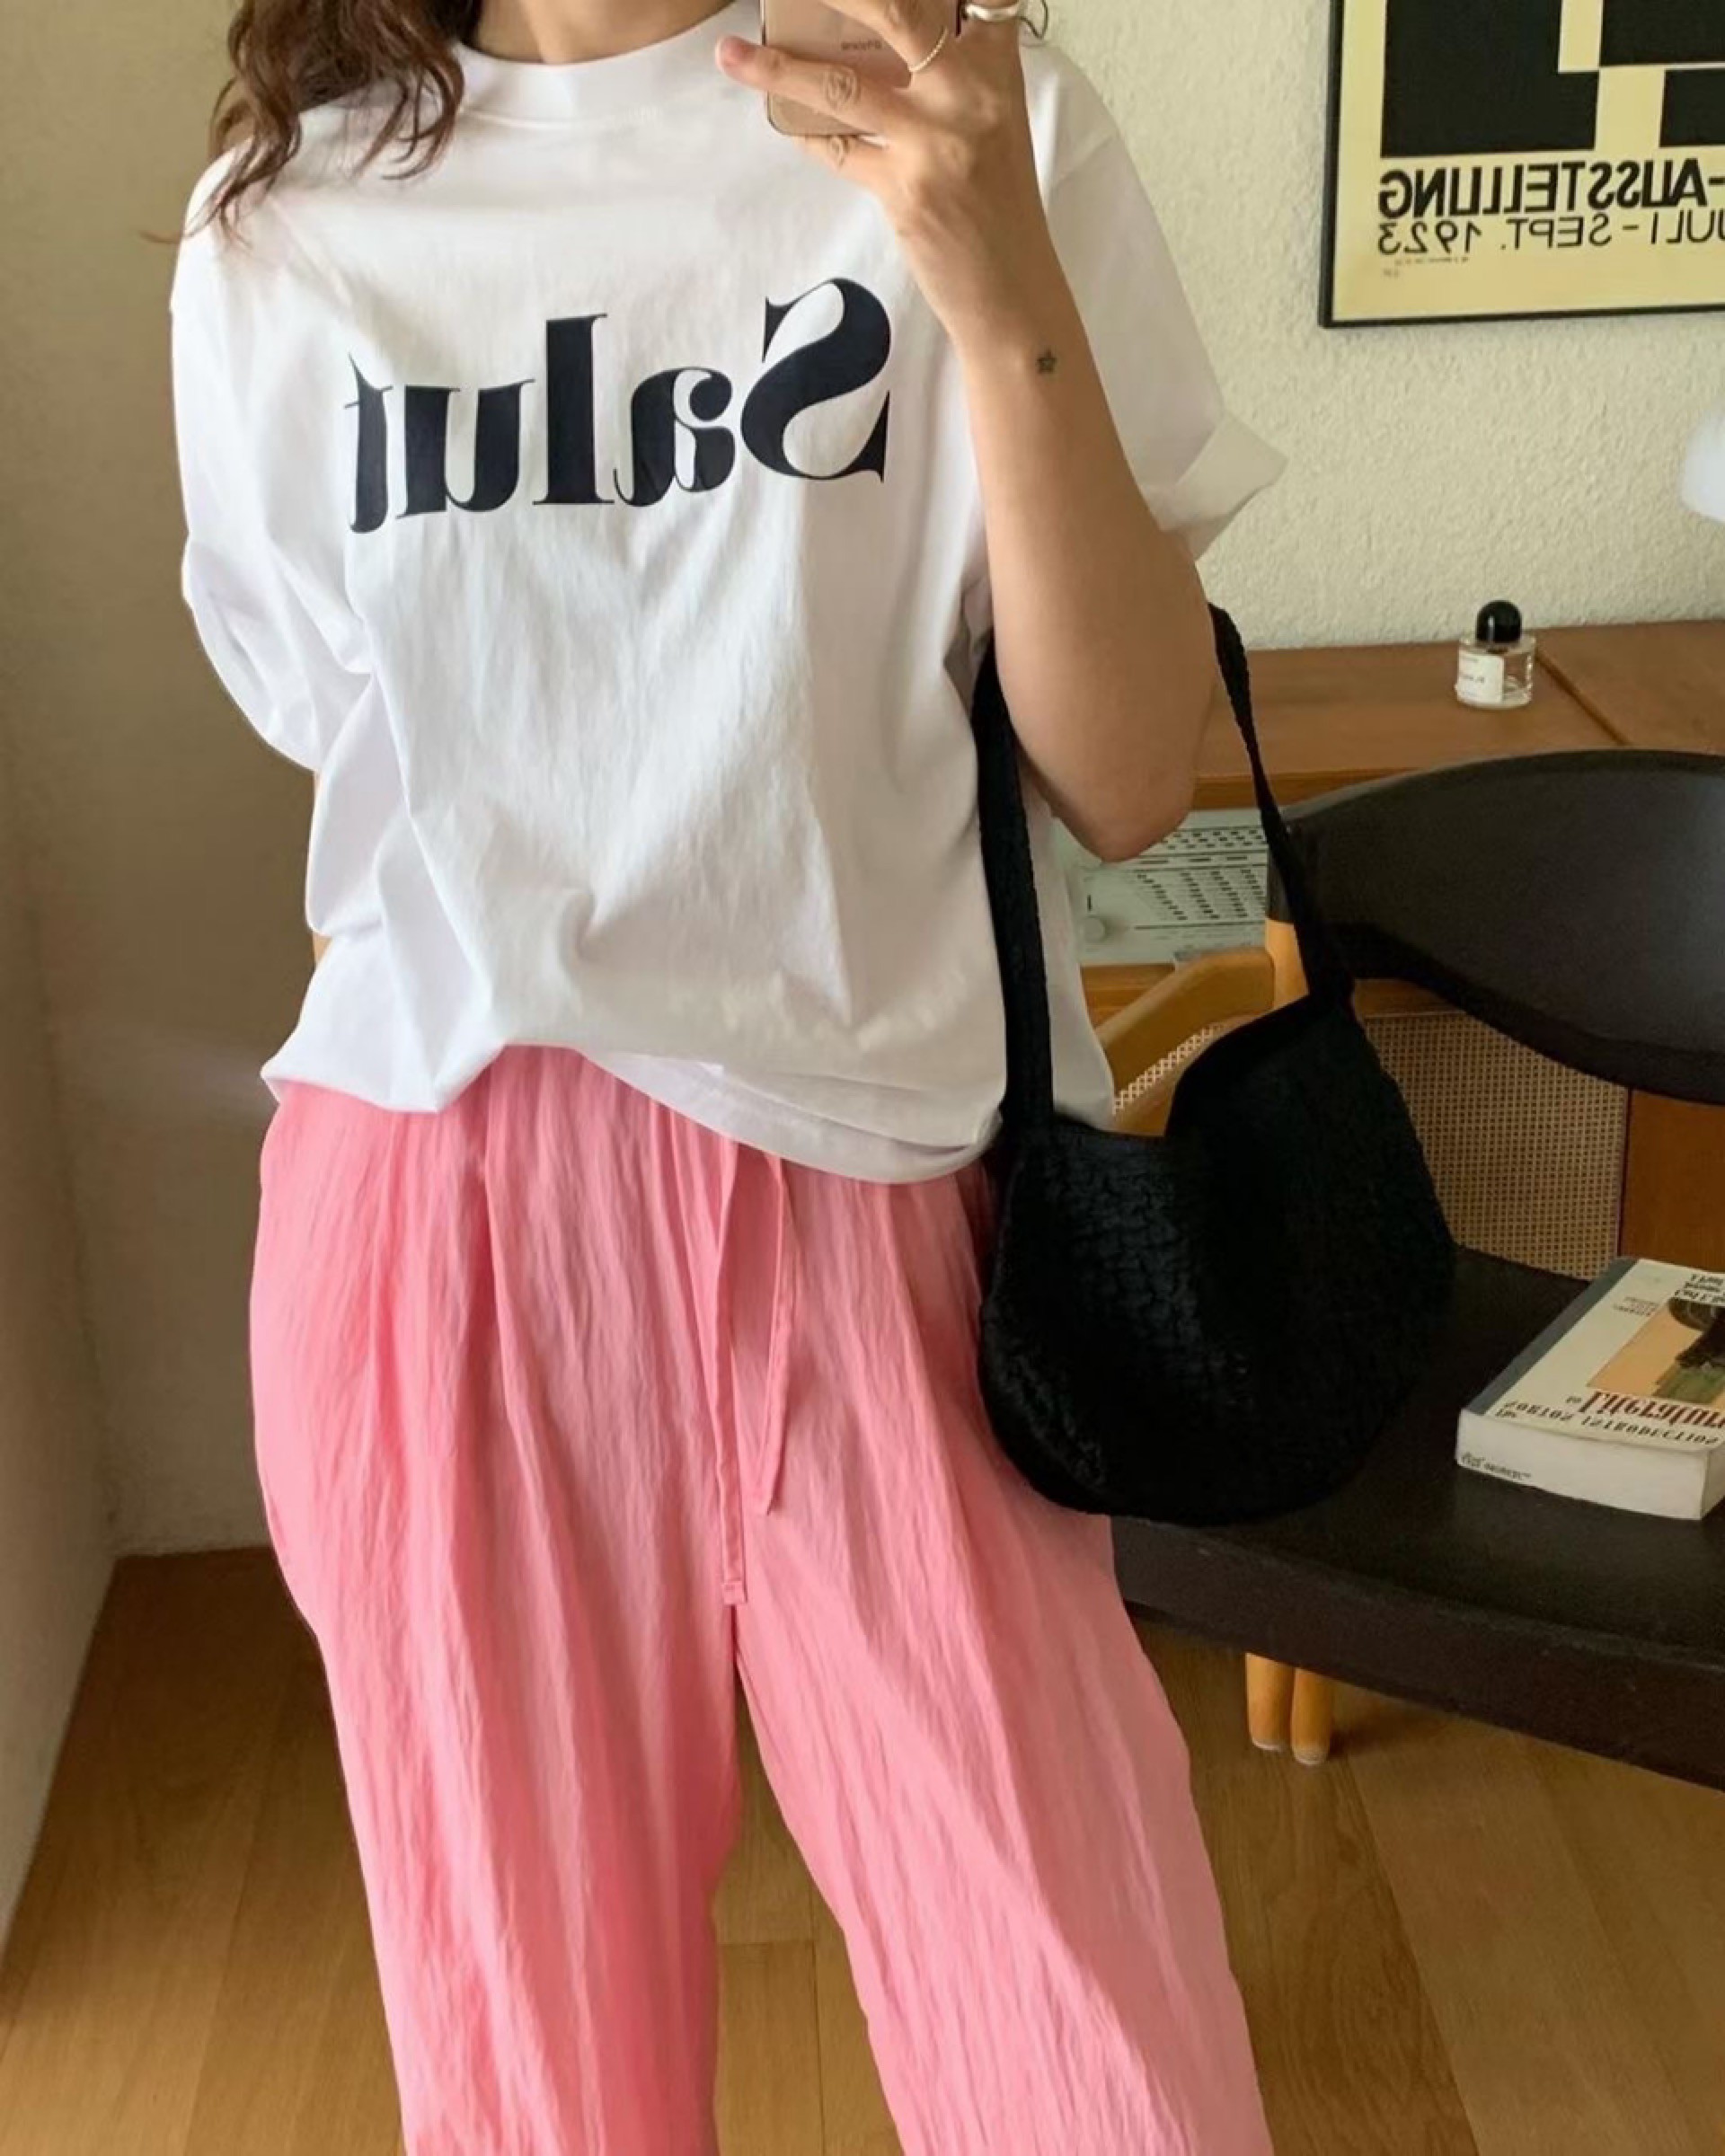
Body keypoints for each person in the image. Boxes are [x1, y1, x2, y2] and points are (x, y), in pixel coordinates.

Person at [168, 1, 1284, 2148]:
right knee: (537, 2087)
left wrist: (998, 285)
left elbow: (1139, 776)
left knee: (1095, 2060)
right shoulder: (285, 220)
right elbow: (367, 769)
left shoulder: (978, 116)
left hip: (881, 1194)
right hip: (441, 1222)